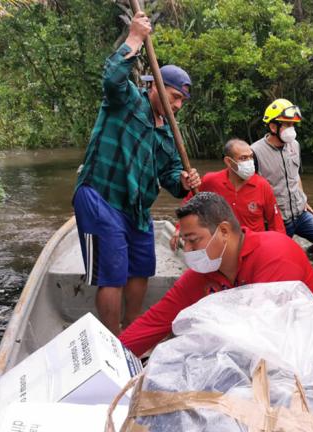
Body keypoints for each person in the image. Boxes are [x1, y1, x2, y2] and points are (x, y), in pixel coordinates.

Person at [73, 11, 201, 335]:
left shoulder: (168, 132)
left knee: (142, 268)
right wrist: (134, 38)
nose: (177, 107)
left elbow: (171, 175)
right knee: (112, 273)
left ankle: (130, 335)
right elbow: (112, 78)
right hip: (101, 196)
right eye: (174, 98)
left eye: (182, 102)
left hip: (137, 211)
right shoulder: (128, 100)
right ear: (156, 86)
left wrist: (183, 181)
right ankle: (111, 338)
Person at [119, 192, 313, 356]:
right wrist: (113, 356)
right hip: (268, 352)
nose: (187, 251)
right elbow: (155, 322)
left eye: (192, 240)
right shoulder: (205, 271)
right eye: (184, 242)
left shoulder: (274, 254)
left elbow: (269, 335)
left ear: (223, 231)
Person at [251, 98, 313, 255]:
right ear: (273, 126)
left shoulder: (295, 145)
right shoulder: (255, 152)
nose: (291, 129)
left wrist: (303, 200)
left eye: (293, 125)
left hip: (300, 214)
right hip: (278, 220)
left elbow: (295, 175)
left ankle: (305, 258)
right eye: (287, 124)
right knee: (277, 258)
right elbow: (250, 190)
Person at [169, 139, 284, 251]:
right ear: (228, 162)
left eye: (251, 157)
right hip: (221, 248)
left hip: (252, 249)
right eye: (243, 158)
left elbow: (276, 223)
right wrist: (180, 228)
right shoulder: (211, 180)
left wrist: (279, 248)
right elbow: (189, 204)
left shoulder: (262, 186)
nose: (249, 162)